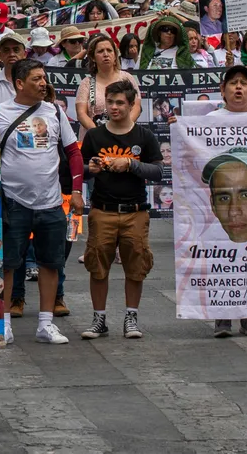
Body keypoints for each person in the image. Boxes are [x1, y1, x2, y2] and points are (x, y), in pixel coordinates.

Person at [0, 58, 83, 346]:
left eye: (45, 78)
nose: (44, 83)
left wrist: (77, 190)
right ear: (19, 83)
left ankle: (46, 324)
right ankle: (3, 324)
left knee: (50, 263)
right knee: (8, 265)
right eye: (37, 79)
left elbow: (74, 152)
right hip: (13, 202)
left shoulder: (55, 111)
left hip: (51, 203)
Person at [79, 79, 162, 340]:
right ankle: (99, 318)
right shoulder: (95, 135)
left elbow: (159, 171)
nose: (114, 107)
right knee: (97, 265)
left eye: (119, 103)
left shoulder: (144, 136)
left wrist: (130, 164)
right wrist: (87, 170)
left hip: (135, 210)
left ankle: (131, 317)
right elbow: (77, 169)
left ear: (131, 105)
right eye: (110, 102)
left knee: (136, 265)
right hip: (102, 209)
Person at [202, 64, 247, 338]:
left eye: (244, 82)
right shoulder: (209, 120)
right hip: (223, 209)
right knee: (221, 259)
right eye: (232, 83)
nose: (238, 87)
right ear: (223, 91)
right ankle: (222, 316)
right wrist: (178, 129)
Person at [76, 35, 138, 132]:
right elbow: (81, 113)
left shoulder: (127, 78)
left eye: (109, 50)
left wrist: (122, 128)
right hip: (94, 137)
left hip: (123, 135)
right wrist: (98, 133)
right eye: (100, 51)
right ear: (93, 58)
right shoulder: (86, 83)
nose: (105, 54)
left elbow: (136, 107)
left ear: (115, 55)